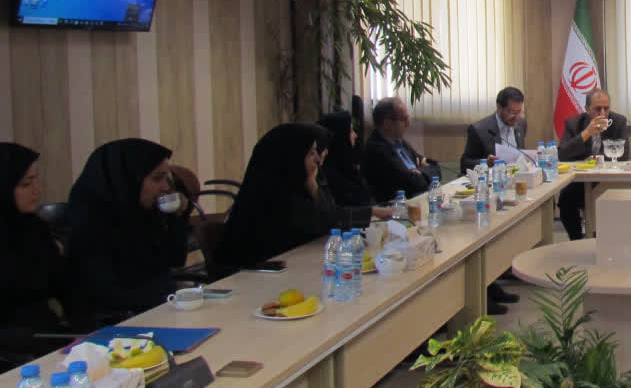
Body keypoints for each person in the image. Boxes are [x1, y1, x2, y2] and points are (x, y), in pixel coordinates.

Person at [218, 123, 379, 268]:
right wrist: (372, 212)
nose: (318, 160)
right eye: (311, 153)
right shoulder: (274, 196)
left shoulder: (293, 187)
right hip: (251, 278)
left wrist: (313, 187)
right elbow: (326, 221)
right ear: (291, 156)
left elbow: (328, 217)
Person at [64, 139, 190, 313]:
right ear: (128, 178)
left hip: (157, 308)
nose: (166, 187)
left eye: (166, 178)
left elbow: (175, 259)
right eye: (157, 178)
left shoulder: (140, 210)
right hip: (118, 320)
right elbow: (107, 293)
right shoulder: (89, 220)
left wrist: (177, 217)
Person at [1, 143, 74, 335]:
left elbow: (63, 284)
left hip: (44, 333)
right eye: (26, 184)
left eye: (36, 180)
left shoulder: (34, 228)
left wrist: (86, 325)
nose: (37, 190)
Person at [557, 88, 630, 240]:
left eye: (606, 108)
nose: (603, 113)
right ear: (587, 109)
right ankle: (576, 240)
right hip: (582, 180)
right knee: (565, 200)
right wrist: (587, 133)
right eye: (598, 109)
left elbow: (623, 155)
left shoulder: (618, 122)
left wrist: (599, 160)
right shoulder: (574, 123)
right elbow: (562, 154)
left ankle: (603, 237)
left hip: (608, 180)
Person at [364, 97, 441, 201]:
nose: (408, 124)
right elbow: (413, 184)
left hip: (417, 199)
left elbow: (436, 167)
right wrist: (420, 172)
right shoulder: (377, 149)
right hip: (395, 206)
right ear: (387, 124)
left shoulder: (400, 142)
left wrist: (419, 172)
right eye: (404, 119)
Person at [461, 87, 527, 173]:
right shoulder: (479, 130)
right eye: (512, 112)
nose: (516, 117)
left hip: (516, 176)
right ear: (499, 107)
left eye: (519, 112)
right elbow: (465, 164)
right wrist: (486, 163)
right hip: (493, 178)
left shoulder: (521, 124)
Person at [317, 111, 376, 208]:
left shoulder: (346, 164)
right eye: (351, 131)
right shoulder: (327, 173)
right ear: (341, 135)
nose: (355, 135)